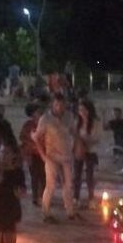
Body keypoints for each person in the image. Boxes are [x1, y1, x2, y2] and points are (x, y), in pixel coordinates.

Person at [34, 94, 79, 222]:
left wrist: (75, 147)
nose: (60, 107)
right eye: (57, 105)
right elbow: (37, 138)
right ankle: (45, 212)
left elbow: (74, 133)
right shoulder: (46, 119)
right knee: (51, 185)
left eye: (62, 104)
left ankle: (70, 211)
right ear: (53, 105)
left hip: (66, 155)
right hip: (51, 156)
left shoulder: (69, 117)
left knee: (68, 184)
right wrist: (43, 155)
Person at [74, 100, 102, 207]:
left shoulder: (96, 122)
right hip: (79, 151)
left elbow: (97, 137)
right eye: (80, 110)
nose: (82, 112)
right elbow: (73, 134)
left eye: (84, 110)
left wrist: (86, 140)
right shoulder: (77, 121)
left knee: (89, 175)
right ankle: (76, 197)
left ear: (89, 110)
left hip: (91, 151)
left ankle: (91, 198)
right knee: (77, 175)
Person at [20, 103, 46, 206]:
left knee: (43, 176)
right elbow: (22, 137)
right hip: (32, 154)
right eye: (38, 112)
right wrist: (31, 143)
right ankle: (35, 197)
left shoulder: (46, 125)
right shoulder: (28, 125)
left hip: (43, 154)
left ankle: (43, 196)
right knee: (34, 176)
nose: (40, 114)